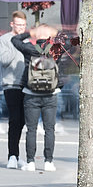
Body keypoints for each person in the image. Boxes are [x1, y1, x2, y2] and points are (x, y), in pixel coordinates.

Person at [14, 22, 63, 172]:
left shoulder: (29, 48)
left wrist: (30, 32)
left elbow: (14, 40)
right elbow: (69, 41)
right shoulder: (56, 49)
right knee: (49, 129)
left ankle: (30, 162)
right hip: (51, 94)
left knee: (31, 129)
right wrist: (54, 33)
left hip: (30, 94)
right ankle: (48, 161)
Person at [0, 10, 30, 161]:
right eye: (18, 25)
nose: (21, 28)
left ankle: (18, 154)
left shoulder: (27, 41)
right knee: (15, 119)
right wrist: (17, 44)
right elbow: (4, 60)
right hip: (11, 84)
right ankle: (12, 155)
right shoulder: (4, 40)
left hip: (26, 84)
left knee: (23, 120)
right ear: (12, 24)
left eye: (23, 25)